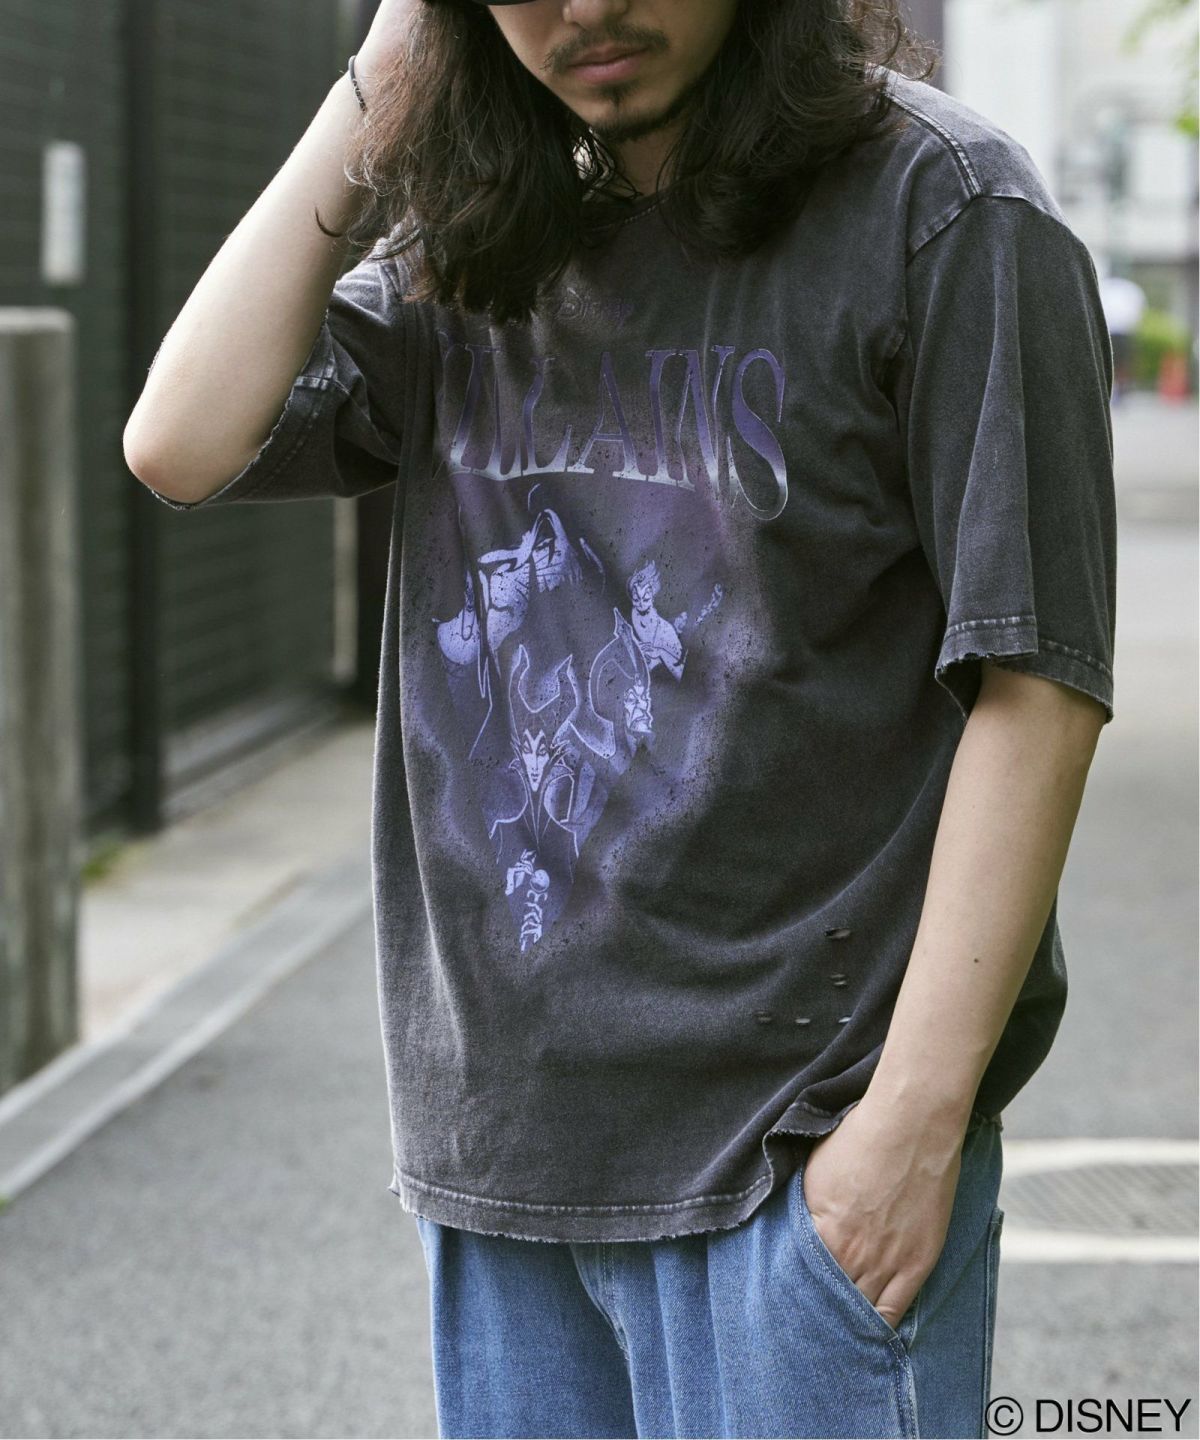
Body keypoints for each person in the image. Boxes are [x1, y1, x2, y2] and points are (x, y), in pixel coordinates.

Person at [123, 1, 1118, 1435]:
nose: (587, 6)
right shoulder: (481, 242)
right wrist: (383, 83)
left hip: (797, 1155)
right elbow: (179, 438)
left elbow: (1038, 684)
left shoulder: (943, 210)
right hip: (503, 1161)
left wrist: (910, 1126)